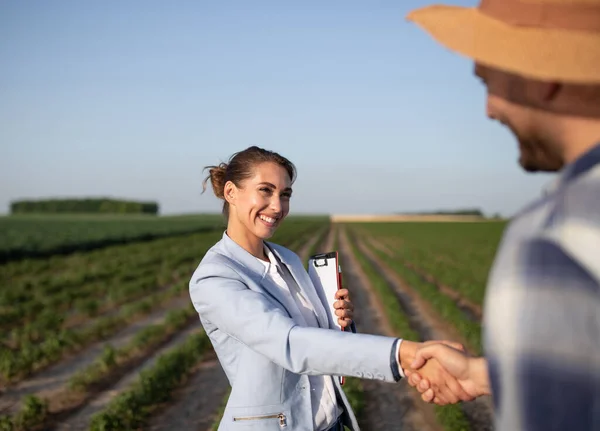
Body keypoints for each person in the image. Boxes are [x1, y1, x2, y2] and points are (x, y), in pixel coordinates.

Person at [402, 0, 600, 430]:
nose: (490, 110)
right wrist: (481, 374)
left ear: (544, 74)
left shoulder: (554, 235)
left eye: (490, 80)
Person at [188, 146, 470, 431]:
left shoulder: (288, 259)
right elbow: (291, 344)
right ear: (230, 193)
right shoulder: (215, 278)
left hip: (330, 422)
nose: (277, 206)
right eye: (265, 190)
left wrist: (340, 321)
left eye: (285, 195)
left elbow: (319, 341)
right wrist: (405, 355)